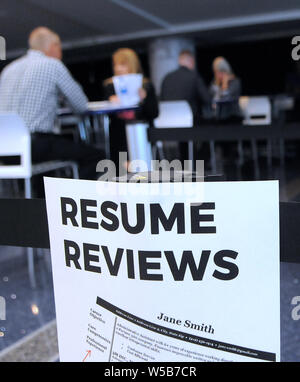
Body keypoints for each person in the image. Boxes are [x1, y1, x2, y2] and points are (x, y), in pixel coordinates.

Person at [0, 26, 104, 184]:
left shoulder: (8, 69)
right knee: (95, 156)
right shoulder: (52, 65)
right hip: (34, 146)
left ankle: (38, 200)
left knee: (49, 155)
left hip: (5, 148)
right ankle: (78, 202)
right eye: (59, 47)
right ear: (53, 46)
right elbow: (81, 105)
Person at [103, 48, 159, 172]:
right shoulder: (110, 86)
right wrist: (112, 104)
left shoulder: (146, 85)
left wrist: (144, 99)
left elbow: (153, 113)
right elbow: (108, 117)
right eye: (116, 64)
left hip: (142, 133)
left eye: (122, 64)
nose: (118, 68)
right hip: (120, 135)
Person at [160, 50, 211, 125]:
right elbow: (207, 99)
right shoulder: (194, 76)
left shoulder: (167, 78)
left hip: (167, 122)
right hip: (190, 123)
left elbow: (161, 100)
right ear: (191, 61)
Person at [210, 57, 242, 122]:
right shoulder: (215, 83)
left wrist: (225, 84)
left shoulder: (235, 82)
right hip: (219, 117)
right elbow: (211, 97)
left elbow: (226, 97)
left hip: (232, 116)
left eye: (220, 72)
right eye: (216, 72)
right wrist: (217, 84)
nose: (218, 75)